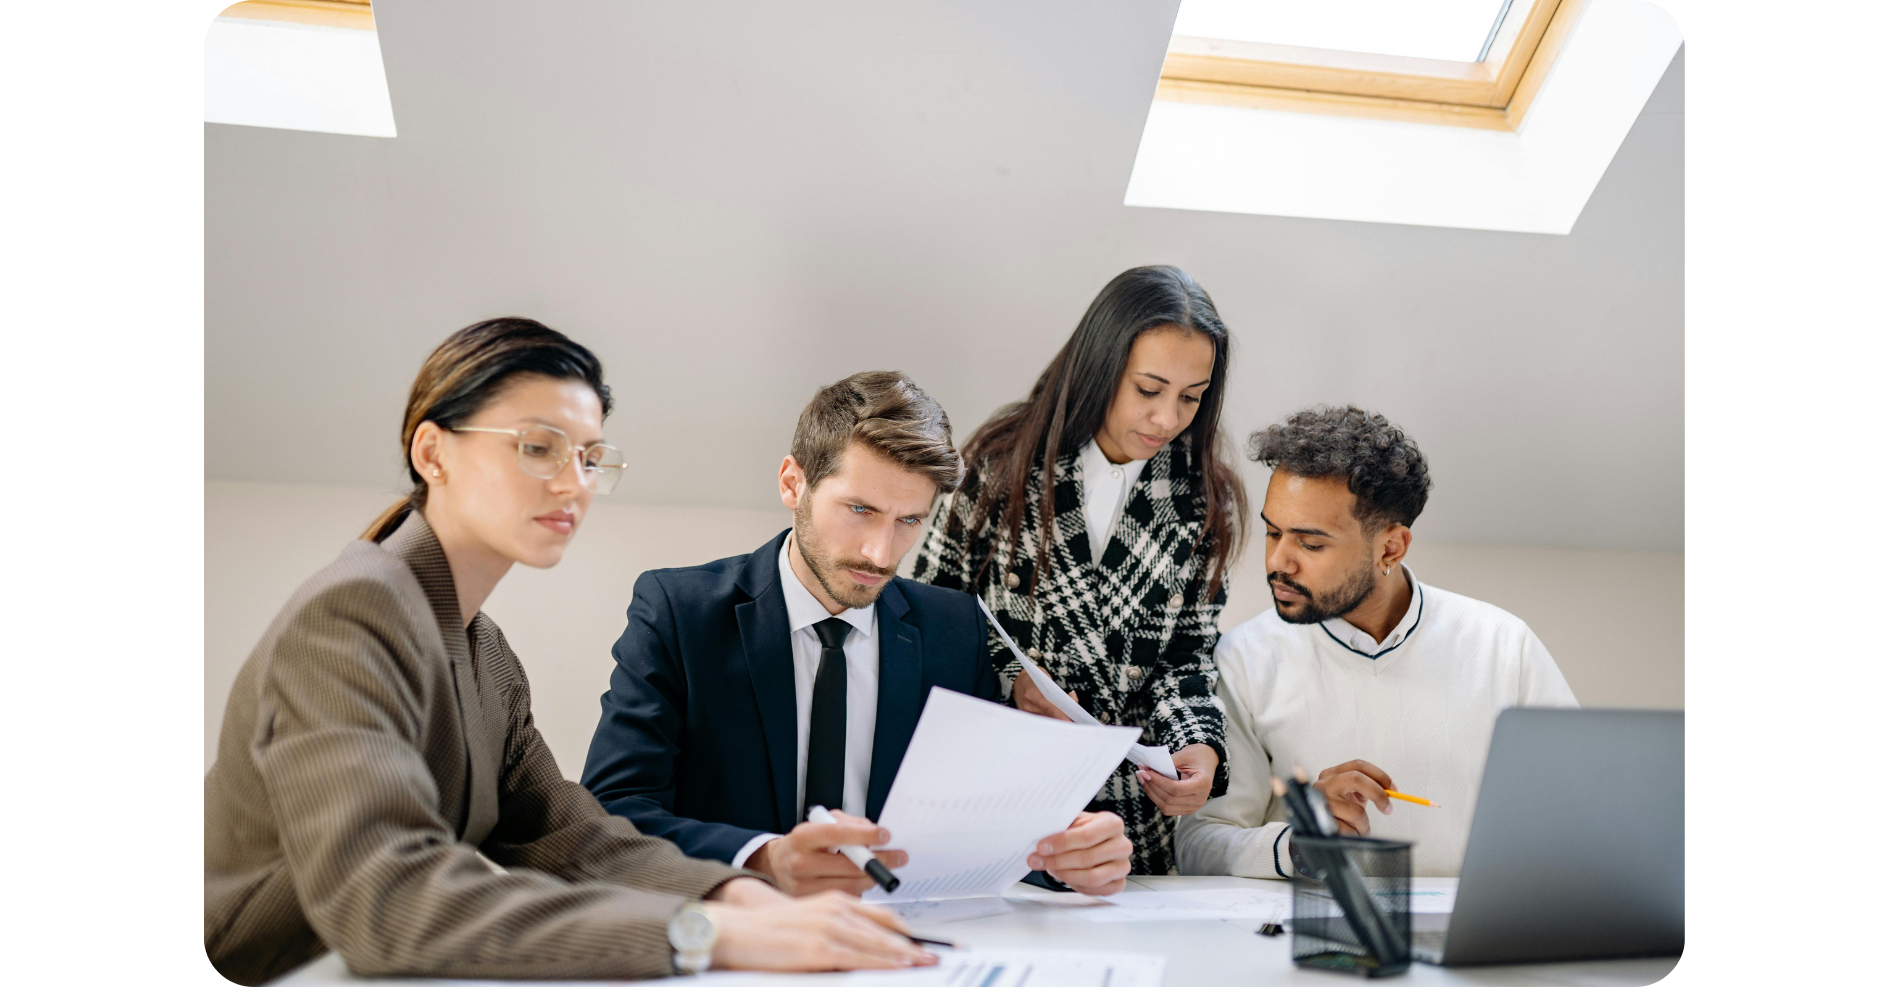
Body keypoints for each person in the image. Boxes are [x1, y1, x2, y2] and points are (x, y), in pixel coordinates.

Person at [205, 320, 934, 985]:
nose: (572, 483)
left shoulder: (482, 645)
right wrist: (708, 932)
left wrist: (740, 895)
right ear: (432, 452)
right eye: (538, 447)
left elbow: (570, 836)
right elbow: (387, 899)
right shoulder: (353, 613)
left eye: (589, 457)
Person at [582, 371, 1134, 896]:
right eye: (860, 510)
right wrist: (762, 859)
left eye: (909, 520)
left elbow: (985, 825)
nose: (881, 553)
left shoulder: (954, 629)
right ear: (793, 483)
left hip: (906, 937)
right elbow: (614, 810)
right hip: (735, 932)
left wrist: (1066, 855)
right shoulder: (680, 612)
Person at [912, 266, 1249, 877]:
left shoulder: (1203, 498)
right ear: (1100, 367)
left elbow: (1189, 655)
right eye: (1148, 389)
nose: (1167, 418)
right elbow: (928, 618)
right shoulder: (1002, 463)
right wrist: (1012, 680)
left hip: (1127, 816)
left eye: (1190, 397)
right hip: (1000, 789)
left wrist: (1198, 744)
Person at [1175, 406, 1579, 879]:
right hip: (1314, 921)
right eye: (1272, 532)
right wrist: (1297, 843)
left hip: (1475, 921)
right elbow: (1198, 844)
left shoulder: (1503, 647)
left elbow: (1581, 809)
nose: (1278, 561)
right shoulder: (1245, 658)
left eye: (1310, 544)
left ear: (1391, 547)